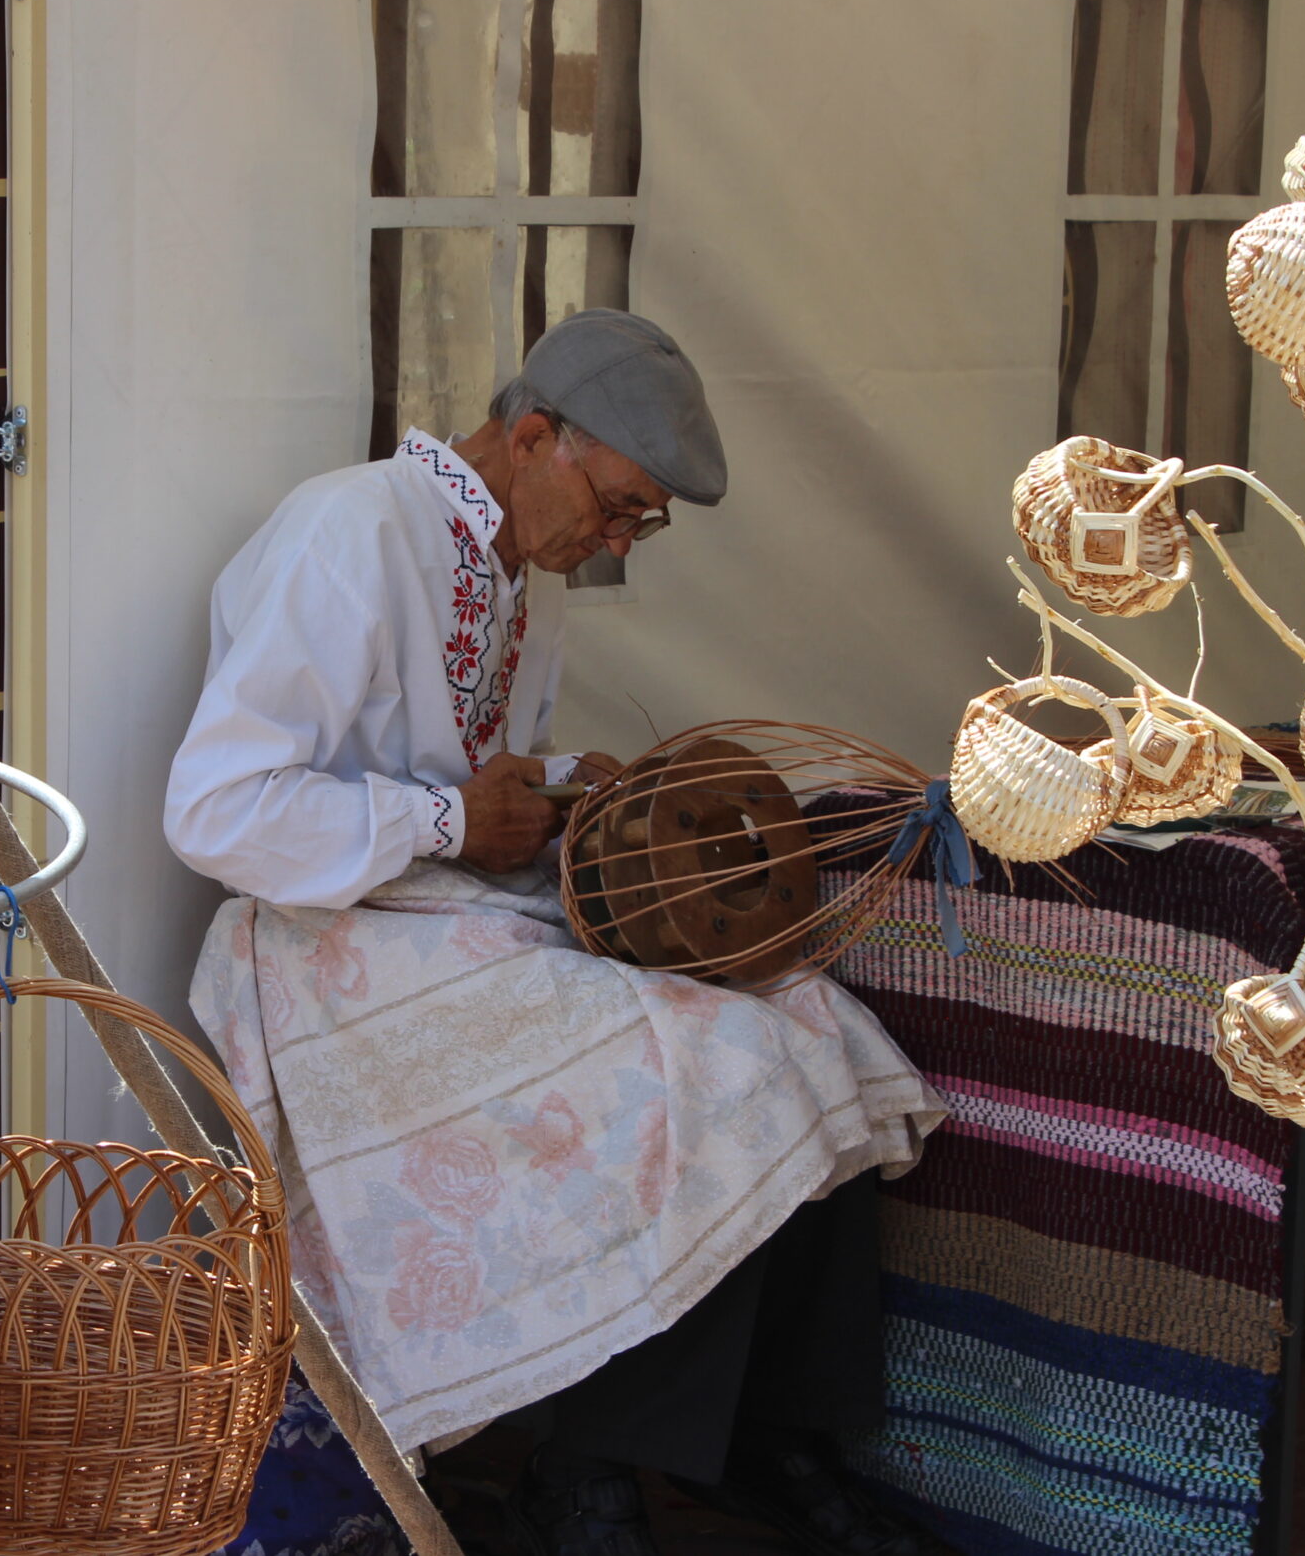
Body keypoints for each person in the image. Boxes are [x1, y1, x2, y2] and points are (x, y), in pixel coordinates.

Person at [164, 310, 945, 1556]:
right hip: (321, 944)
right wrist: (445, 816)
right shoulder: (349, 533)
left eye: (641, 525)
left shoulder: (518, 575)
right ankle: (590, 1472)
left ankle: (776, 1438)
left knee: (811, 1014)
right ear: (531, 437)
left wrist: (574, 787)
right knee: (710, 1061)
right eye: (620, 508)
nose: (616, 541)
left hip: (443, 916)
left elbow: (479, 775)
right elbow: (216, 810)